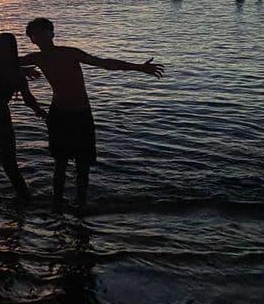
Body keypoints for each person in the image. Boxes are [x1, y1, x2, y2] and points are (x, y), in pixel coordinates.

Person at [22, 17, 164, 210]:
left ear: (52, 33)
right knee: (60, 163)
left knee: (83, 164)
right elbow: (2, 61)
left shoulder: (70, 53)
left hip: (81, 113)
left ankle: (81, 203)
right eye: (36, 34)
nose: (41, 36)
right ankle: (57, 203)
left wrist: (137, 67)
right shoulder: (36, 58)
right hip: (59, 114)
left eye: (44, 31)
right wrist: (20, 67)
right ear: (32, 39)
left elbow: (103, 63)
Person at [0, 33, 45, 200]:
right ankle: (21, 199)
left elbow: (28, 98)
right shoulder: (15, 71)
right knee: (3, 163)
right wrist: (41, 112)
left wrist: (41, 112)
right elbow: (28, 99)